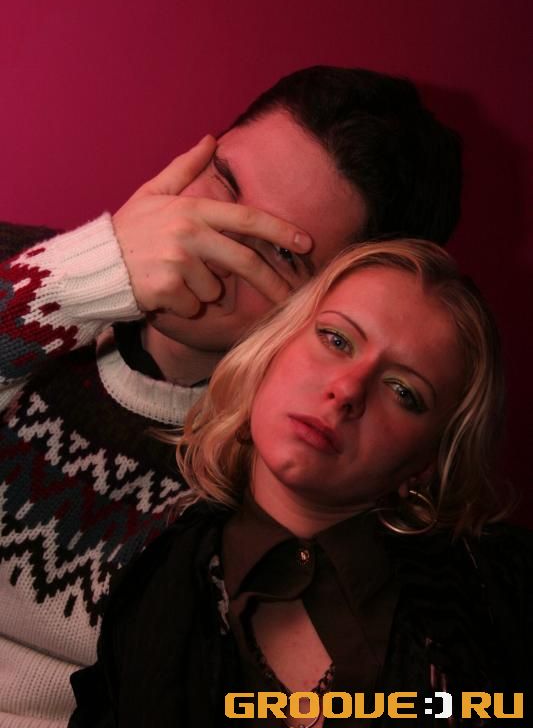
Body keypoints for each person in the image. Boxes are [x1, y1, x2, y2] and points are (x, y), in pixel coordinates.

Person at [0, 66, 462, 726]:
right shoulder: (22, 271)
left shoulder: (290, 466)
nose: (207, 241)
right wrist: (69, 287)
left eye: (276, 252)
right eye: (223, 184)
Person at [69, 239, 531, 728]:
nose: (348, 389)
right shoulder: (150, 588)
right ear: (275, 347)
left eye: (403, 391)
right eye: (336, 340)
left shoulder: (505, 590)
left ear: (425, 463)